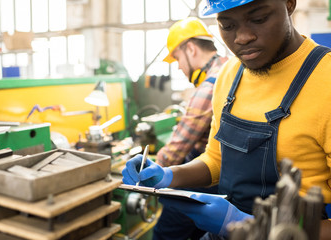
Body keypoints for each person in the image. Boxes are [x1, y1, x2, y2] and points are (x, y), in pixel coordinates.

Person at [123, 0, 331, 239]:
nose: (242, 37)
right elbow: (216, 159)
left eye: (259, 19)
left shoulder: (326, 82)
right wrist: (169, 175)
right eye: (227, 25)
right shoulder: (230, 75)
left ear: (290, 4)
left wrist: (252, 225)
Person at [153, 17, 227, 240]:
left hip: (210, 175)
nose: (179, 67)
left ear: (191, 49)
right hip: (227, 174)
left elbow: (178, 147)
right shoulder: (229, 68)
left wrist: (151, 170)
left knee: (165, 232)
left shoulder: (212, 83)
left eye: (177, 58)